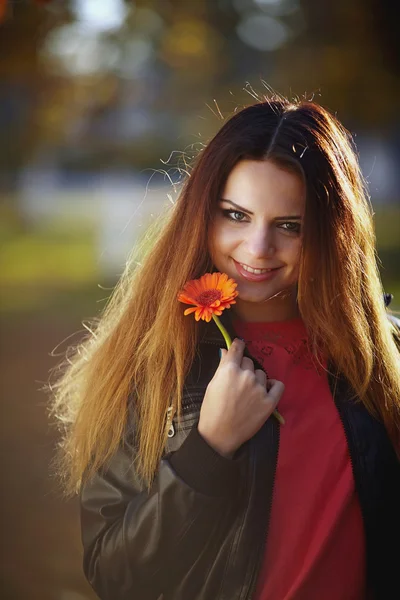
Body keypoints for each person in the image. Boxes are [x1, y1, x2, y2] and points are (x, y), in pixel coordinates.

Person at [50, 95, 400, 600]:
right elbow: (116, 573)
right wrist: (208, 450)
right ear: (201, 214)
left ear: (332, 232)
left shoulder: (382, 357)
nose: (257, 249)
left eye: (290, 226)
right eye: (236, 215)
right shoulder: (153, 363)